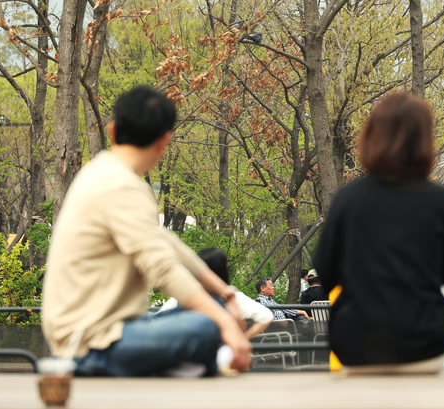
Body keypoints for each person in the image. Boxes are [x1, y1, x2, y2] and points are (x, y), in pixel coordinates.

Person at [41, 86, 250, 377]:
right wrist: (226, 322)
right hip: (90, 344)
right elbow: (162, 267)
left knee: (213, 309)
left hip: (101, 333)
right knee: (208, 325)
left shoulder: (101, 172)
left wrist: (226, 294)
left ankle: (184, 365)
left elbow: (168, 244)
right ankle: (185, 364)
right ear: (165, 141)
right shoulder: (123, 187)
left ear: (112, 131)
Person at [314, 92, 444, 374]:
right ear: (425, 140)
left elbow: (324, 273)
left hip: (357, 343)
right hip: (425, 343)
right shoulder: (442, 202)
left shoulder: (348, 199)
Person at [158, 248, 274, 339]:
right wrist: (241, 338)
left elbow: (159, 321)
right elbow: (266, 316)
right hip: (222, 360)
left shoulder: (187, 295)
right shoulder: (233, 296)